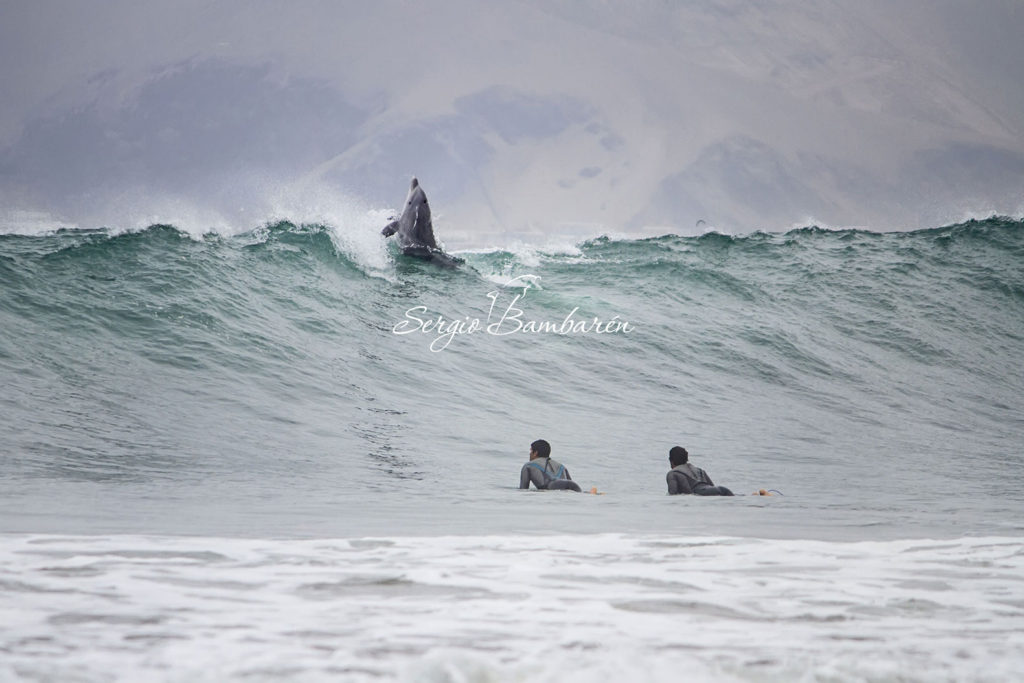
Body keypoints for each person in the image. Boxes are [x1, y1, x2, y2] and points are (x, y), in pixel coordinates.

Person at [666, 446, 733, 496]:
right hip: (722, 489)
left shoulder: (672, 474)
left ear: (671, 461)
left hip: (702, 493)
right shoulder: (700, 470)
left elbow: (674, 494)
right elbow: (711, 485)